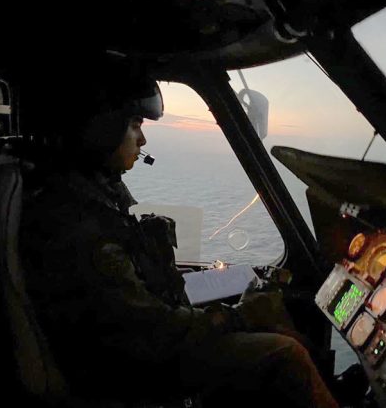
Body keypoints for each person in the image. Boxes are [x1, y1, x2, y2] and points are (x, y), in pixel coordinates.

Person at [20, 55, 339, 408]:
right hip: (129, 375)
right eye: (135, 125)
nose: (142, 139)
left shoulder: (88, 196)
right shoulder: (78, 225)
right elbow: (151, 333)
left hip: (133, 354)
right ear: (101, 127)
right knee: (286, 354)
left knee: (274, 326)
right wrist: (239, 314)